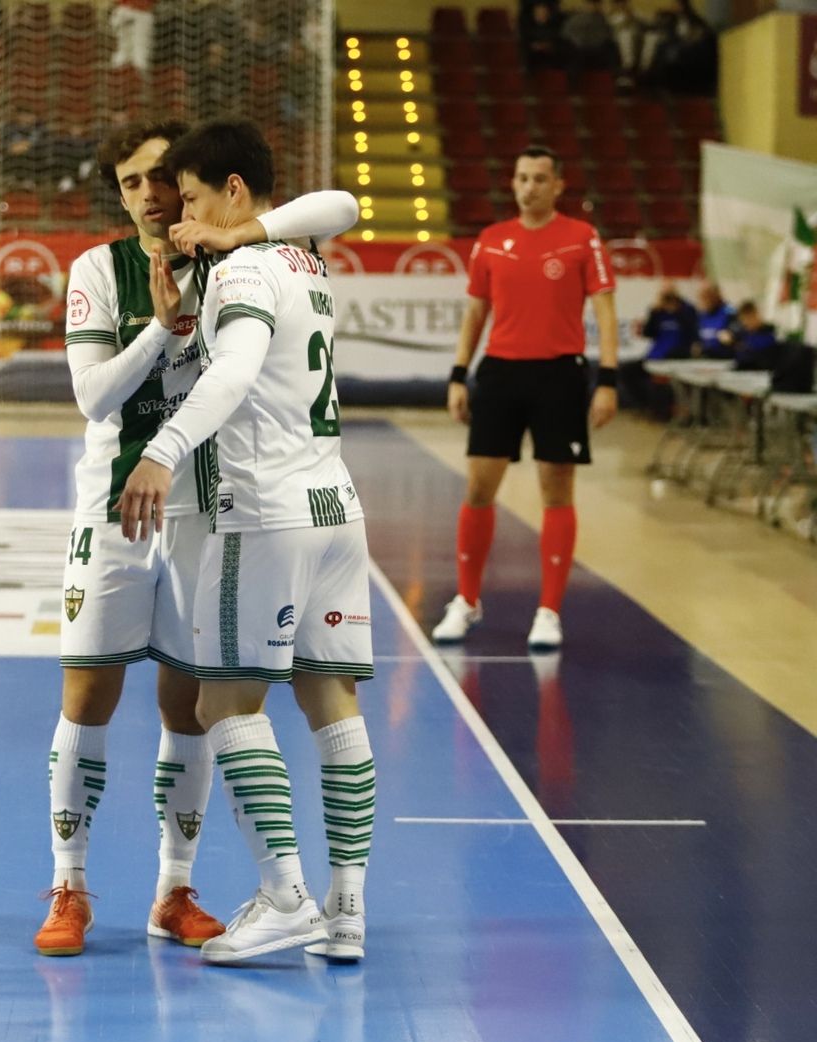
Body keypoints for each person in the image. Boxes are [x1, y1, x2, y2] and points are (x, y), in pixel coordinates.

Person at [38, 118, 355, 957]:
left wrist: (240, 228)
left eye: (163, 182)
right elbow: (93, 399)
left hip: (206, 512)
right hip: (114, 506)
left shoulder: (237, 256)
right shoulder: (99, 270)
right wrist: (163, 328)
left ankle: (174, 887)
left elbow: (339, 202)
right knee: (88, 696)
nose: (150, 197)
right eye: (132, 184)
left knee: (192, 707)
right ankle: (68, 885)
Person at [118, 119, 376, 965]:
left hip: (261, 508)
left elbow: (233, 372)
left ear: (233, 191)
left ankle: (283, 894)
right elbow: (338, 203)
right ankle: (346, 909)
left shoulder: (244, 266)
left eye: (188, 197)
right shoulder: (306, 256)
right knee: (331, 702)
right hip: (335, 503)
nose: (177, 215)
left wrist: (161, 451)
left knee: (221, 703)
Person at [432, 145, 618, 652]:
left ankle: (549, 611)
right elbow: (475, 314)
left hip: (560, 376)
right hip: (500, 376)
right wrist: (457, 375)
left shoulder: (582, 239)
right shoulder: (491, 242)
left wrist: (608, 379)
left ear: (558, 185)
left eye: (539, 179)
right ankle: (467, 601)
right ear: (512, 184)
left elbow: (604, 312)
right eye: (521, 178)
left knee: (556, 492)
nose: (529, 186)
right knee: (478, 489)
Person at [626, 284, 697, 414]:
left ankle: (665, 410)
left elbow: (692, 333)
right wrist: (654, 312)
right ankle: (644, 405)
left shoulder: (687, 310)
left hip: (675, 356)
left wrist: (677, 310)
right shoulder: (658, 311)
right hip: (655, 355)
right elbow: (648, 333)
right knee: (628, 371)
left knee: (664, 381)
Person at [694, 281, 735, 358]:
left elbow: (735, 335)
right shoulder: (701, 315)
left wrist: (731, 336)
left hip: (724, 359)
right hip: (706, 360)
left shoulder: (729, 311)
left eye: (708, 296)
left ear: (716, 295)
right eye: (702, 297)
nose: (705, 300)